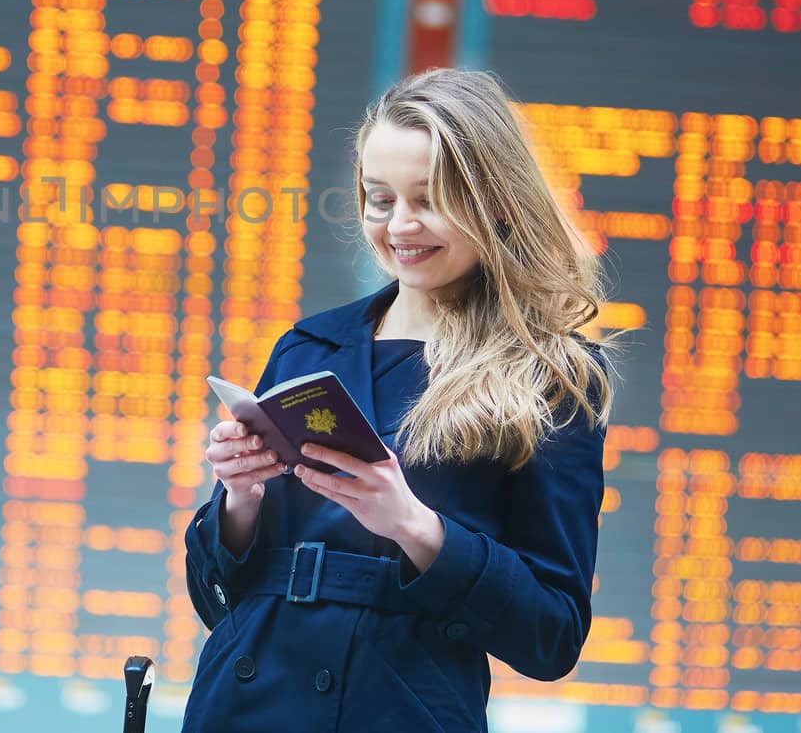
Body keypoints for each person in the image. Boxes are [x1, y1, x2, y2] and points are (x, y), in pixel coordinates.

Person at [181, 68, 615, 732]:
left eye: (429, 199)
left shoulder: (550, 377)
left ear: (495, 201)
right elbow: (219, 600)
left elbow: (551, 636)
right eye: (379, 200)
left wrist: (413, 525)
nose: (400, 225)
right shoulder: (308, 348)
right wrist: (240, 499)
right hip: (243, 707)